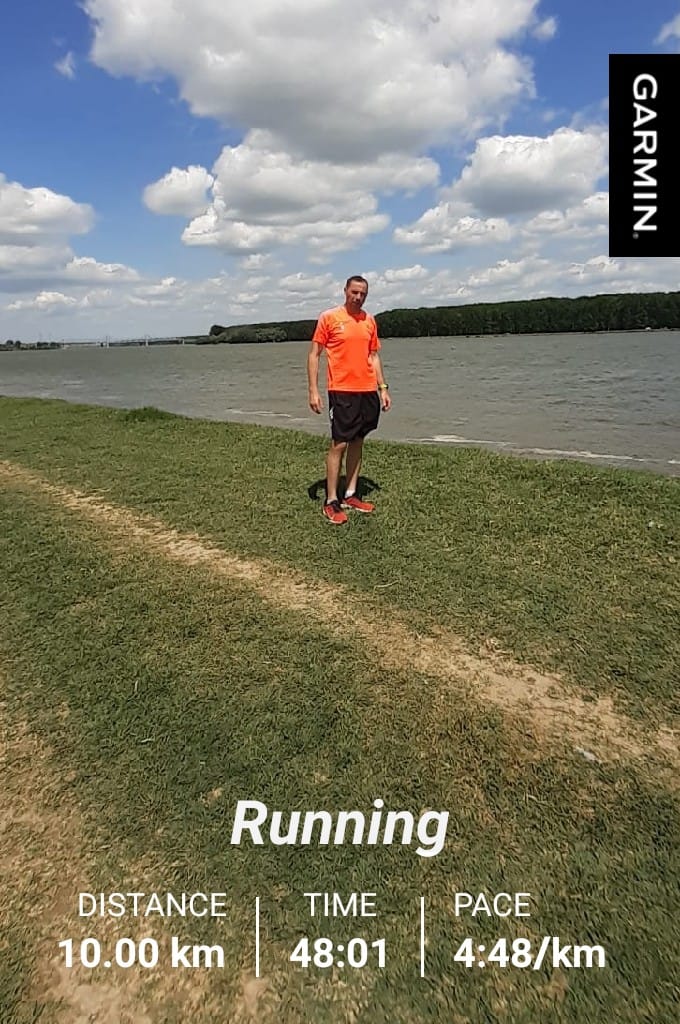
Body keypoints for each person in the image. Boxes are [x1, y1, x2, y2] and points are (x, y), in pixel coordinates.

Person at [307, 275, 391, 524]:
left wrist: (383, 388)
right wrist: (313, 390)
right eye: (354, 292)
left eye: (363, 294)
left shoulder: (369, 320)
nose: (358, 297)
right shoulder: (329, 317)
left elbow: (373, 356)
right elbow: (314, 355)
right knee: (339, 443)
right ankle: (331, 500)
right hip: (341, 390)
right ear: (345, 291)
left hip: (367, 390)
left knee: (358, 440)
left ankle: (351, 494)